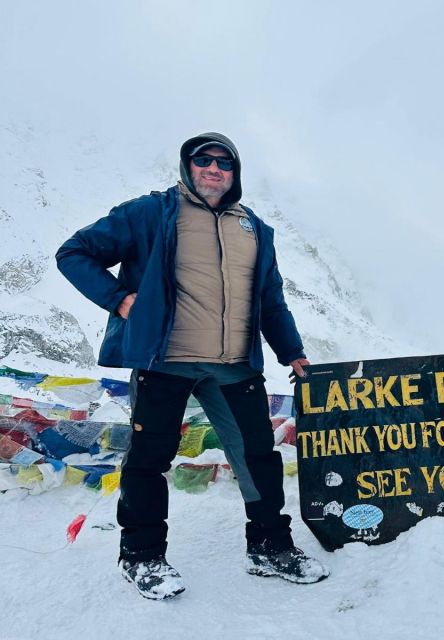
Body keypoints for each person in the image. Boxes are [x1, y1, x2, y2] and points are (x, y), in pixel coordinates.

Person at [56, 132, 329, 599]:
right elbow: (73, 253)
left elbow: (270, 301)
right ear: (188, 166)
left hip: (234, 366)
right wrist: (120, 299)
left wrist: (292, 352)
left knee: (258, 457)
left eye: (224, 163)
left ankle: (269, 546)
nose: (213, 168)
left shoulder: (255, 229)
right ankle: (142, 556)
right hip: (166, 362)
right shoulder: (152, 212)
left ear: (235, 174)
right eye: (203, 160)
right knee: (148, 460)